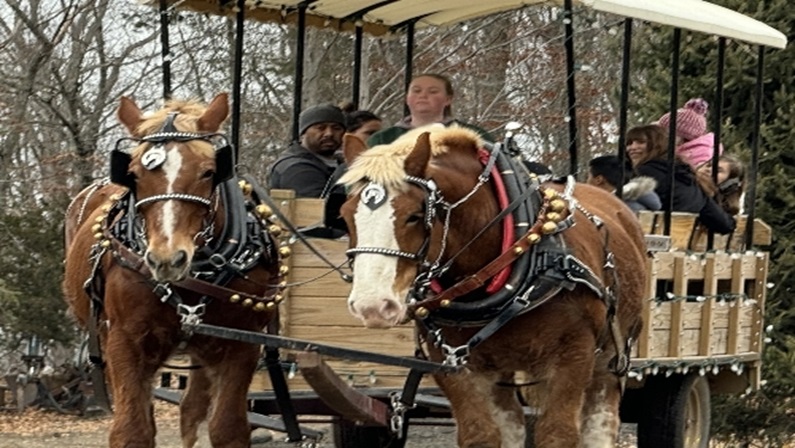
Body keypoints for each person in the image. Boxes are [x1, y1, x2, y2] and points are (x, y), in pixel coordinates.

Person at [626, 124, 735, 234]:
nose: (632, 147)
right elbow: (725, 225)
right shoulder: (690, 178)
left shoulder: (640, 173)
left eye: (640, 142)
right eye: (629, 143)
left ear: (656, 145)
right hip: (679, 243)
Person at [367, 73, 494, 146]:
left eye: (433, 91)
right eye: (416, 91)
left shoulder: (473, 135)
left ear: (448, 99)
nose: (423, 95)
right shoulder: (382, 139)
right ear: (407, 98)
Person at [268, 104, 346, 197]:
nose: (329, 133)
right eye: (321, 128)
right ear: (303, 133)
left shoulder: (340, 161)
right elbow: (320, 208)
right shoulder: (296, 168)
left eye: (336, 128)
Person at [656, 97, 723, 170]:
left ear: (686, 138)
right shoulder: (674, 149)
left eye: (667, 133)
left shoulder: (700, 155)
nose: (661, 136)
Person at [587, 154, 661, 212]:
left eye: (588, 176)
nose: (587, 181)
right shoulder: (638, 203)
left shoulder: (616, 208)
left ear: (599, 180)